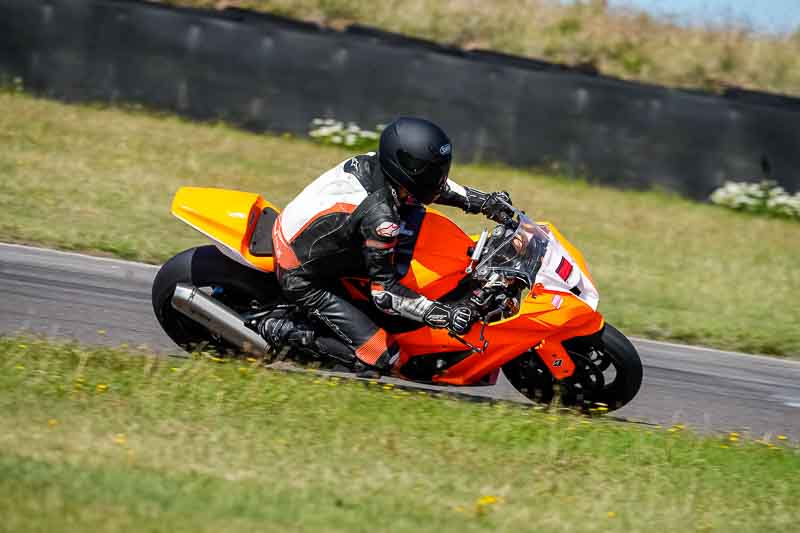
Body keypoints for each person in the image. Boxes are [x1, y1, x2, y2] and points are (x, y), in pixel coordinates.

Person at [261, 116, 514, 374]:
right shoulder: (381, 218)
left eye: (438, 168)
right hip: (302, 275)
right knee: (383, 357)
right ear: (404, 166)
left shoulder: (381, 163)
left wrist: (482, 201)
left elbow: (433, 186)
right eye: (428, 170)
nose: (437, 176)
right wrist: (443, 315)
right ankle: (281, 329)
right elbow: (385, 294)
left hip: (322, 237)